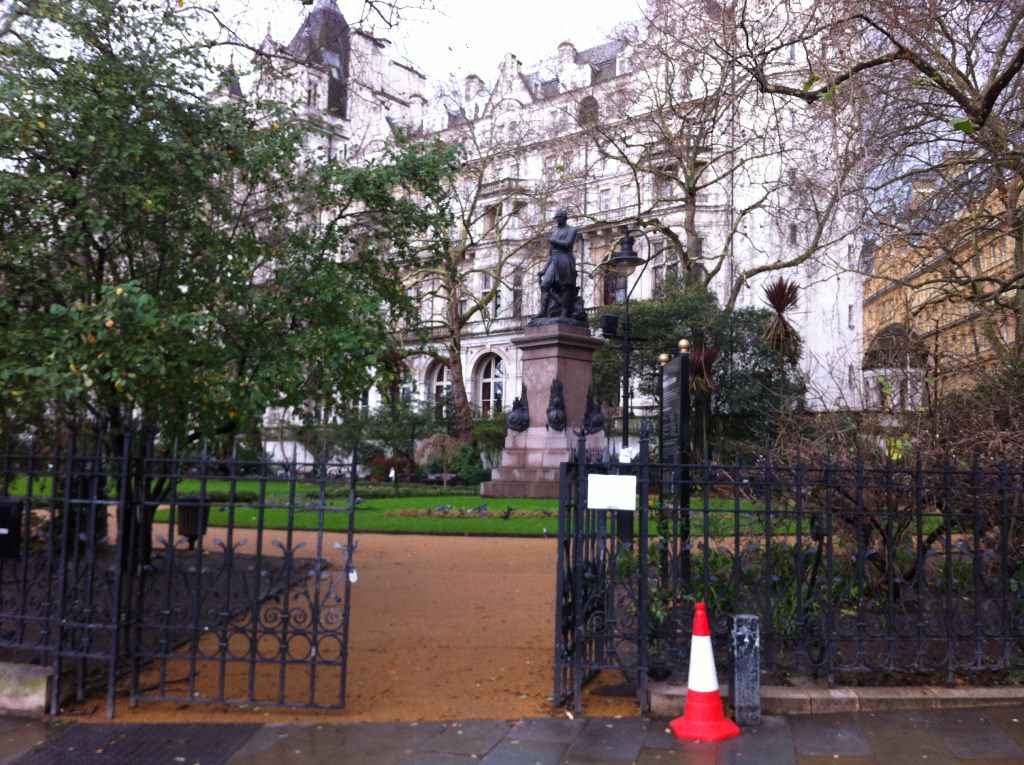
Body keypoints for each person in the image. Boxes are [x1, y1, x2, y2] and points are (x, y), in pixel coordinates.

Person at [538, 209, 578, 318]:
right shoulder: (555, 232)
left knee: (566, 286)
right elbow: (550, 254)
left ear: (565, 218)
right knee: (545, 285)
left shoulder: (572, 229)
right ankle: (543, 312)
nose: (557, 220)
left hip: (565, 258)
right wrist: (544, 270)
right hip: (554, 259)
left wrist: (553, 241)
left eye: (559, 217)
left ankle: (564, 312)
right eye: (556, 218)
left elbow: (567, 243)